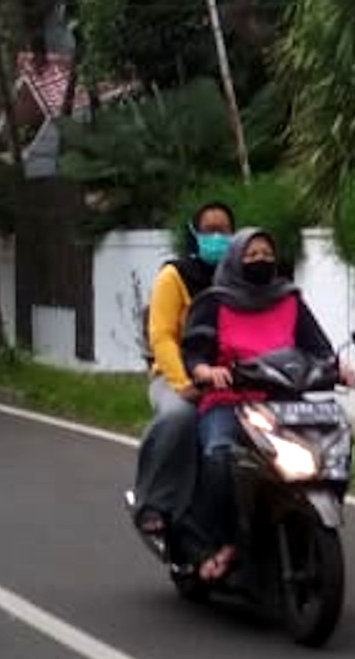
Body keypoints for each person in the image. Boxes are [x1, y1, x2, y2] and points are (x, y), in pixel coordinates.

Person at [181, 227, 355, 581]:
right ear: (234, 260)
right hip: (230, 402)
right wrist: (207, 370)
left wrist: (339, 370)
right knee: (218, 455)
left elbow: (317, 348)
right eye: (251, 255)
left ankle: (292, 520)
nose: (260, 261)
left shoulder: (289, 299)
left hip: (284, 403)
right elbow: (194, 352)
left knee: (331, 445)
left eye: (266, 254)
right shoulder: (215, 302)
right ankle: (217, 541)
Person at [130, 201, 236, 537]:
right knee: (180, 417)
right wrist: (184, 382)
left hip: (232, 380)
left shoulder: (240, 278)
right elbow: (161, 337)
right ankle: (153, 502)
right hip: (176, 377)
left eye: (225, 230)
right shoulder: (174, 276)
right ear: (194, 235)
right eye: (210, 230)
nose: (218, 237)